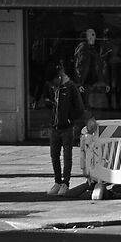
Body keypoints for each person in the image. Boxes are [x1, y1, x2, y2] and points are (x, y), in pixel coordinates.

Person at [45, 62, 86, 194]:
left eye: (53, 82)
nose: (52, 85)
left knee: (67, 156)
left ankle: (65, 183)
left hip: (67, 127)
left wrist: (70, 119)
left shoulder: (70, 87)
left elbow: (79, 108)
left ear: (58, 77)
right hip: (55, 126)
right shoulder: (52, 88)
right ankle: (57, 181)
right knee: (54, 155)